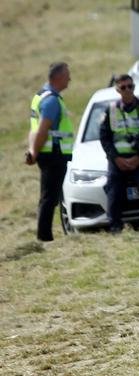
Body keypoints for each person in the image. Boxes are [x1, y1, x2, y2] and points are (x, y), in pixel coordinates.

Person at [100, 74, 139, 233]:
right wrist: (116, 158)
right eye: (123, 87)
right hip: (117, 160)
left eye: (130, 86)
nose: (127, 90)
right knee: (113, 190)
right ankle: (115, 226)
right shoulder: (110, 109)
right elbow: (104, 137)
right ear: (117, 89)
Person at [25, 61, 74, 242]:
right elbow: (42, 130)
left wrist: (32, 151)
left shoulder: (40, 96)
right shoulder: (52, 101)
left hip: (48, 154)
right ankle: (44, 237)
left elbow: (33, 128)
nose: (70, 78)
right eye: (67, 74)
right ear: (58, 77)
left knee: (49, 196)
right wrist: (34, 152)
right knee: (49, 198)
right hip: (54, 154)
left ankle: (45, 235)